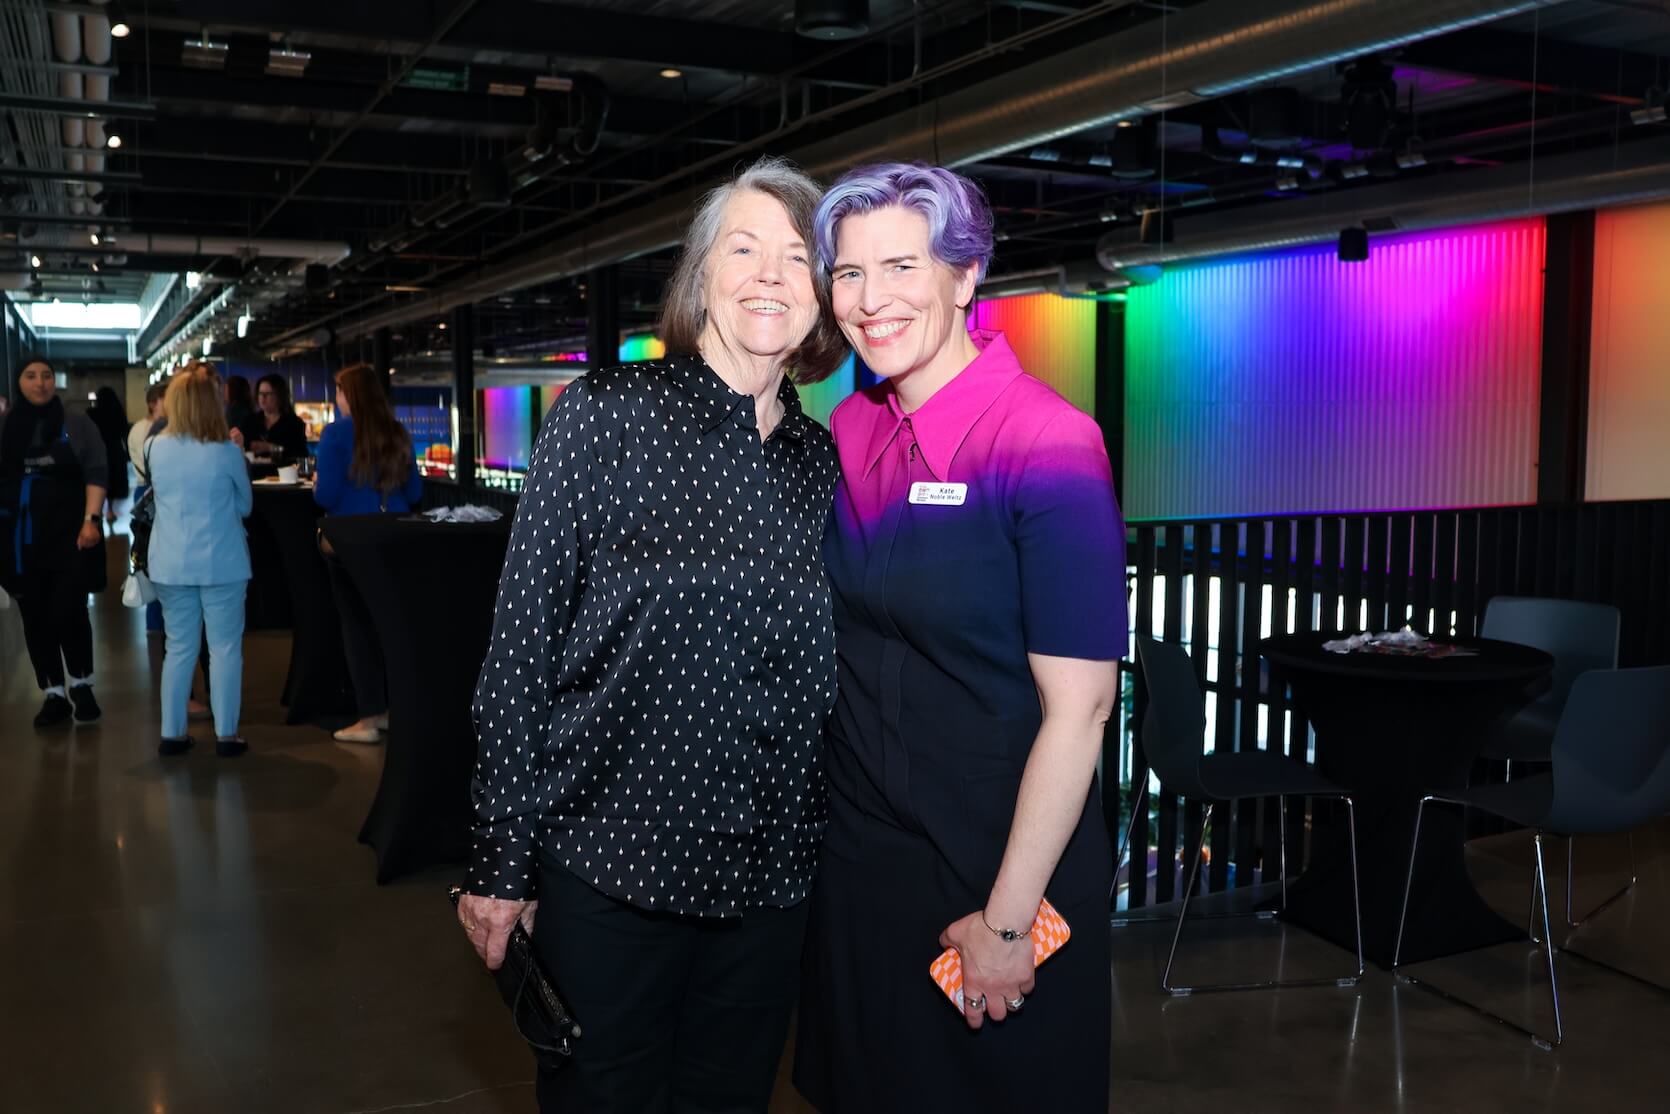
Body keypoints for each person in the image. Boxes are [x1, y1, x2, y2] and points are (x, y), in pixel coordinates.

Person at [455, 155, 847, 1114]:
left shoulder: (820, 463)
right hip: (613, 871)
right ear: (701, 275)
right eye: (743, 248)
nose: (769, 274)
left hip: (769, 884)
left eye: (796, 257)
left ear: (822, 296)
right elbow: (520, 653)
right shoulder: (605, 417)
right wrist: (501, 861)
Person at [793, 164, 1128, 1113]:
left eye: (902, 266)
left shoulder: (1047, 442)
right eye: (849, 274)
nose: (871, 300)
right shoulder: (850, 430)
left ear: (965, 274)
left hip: (999, 868)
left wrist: (1009, 924)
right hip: (864, 867)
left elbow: (1082, 709)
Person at [312, 363, 424, 743]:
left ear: (350, 395)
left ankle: (369, 717)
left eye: (339, 391)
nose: (336, 398)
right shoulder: (397, 432)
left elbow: (326, 496)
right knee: (389, 626)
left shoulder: (335, 434)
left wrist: (318, 483)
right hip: (396, 538)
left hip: (351, 540)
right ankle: (395, 709)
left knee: (357, 627)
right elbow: (414, 493)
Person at [147, 364, 253, 757]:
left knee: (178, 648)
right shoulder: (226, 451)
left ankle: (171, 734)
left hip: (170, 562)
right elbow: (245, 505)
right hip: (222, 561)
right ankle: (227, 735)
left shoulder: (156, 448)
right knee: (224, 648)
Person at [0, 356, 109, 728]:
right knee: (35, 616)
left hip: (70, 536)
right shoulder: (6, 427)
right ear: (19, 382)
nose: (40, 382)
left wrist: (91, 520)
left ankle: (82, 684)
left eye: (46, 375)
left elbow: (97, 471)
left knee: (70, 609)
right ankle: (53, 694)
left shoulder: (77, 424)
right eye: (31, 376)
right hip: (19, 541)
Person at [241, 374, 308, 462]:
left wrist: (272, 447)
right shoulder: (250, 421)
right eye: (260, 393)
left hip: (282, 469)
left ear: (279, 396)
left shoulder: (294, 423)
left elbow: (301, 454)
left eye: (268, 393)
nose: (263, 397)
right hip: (255, 469)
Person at [87, 385, 130, 508]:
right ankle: (110, 509)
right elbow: (124, 431)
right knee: (113, 480)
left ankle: (98, 508)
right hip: (114, 450)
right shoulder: (118, 412)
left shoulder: (92, 413)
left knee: (98, 479)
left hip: (96, 451)